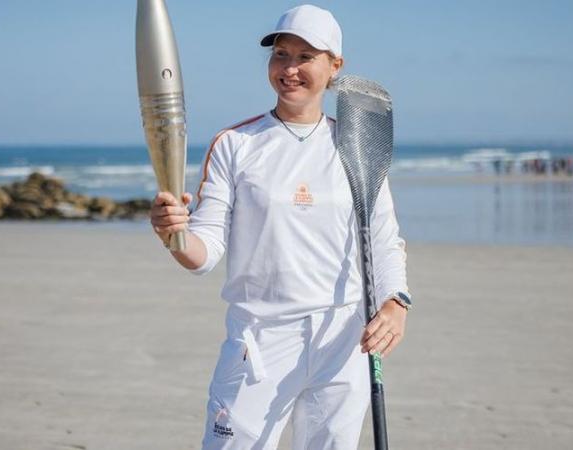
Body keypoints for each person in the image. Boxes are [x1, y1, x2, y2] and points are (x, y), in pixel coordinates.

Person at [150, 5, 411, 449]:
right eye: (281, 55)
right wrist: (175, 235)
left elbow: (382, 239)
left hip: (342, 341)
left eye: (305, 56)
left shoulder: (357, 147)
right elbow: (204, 252)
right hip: (259, 343)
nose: (289, 69)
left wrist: (396, 303)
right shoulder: (236, 145)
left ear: (335, 66)